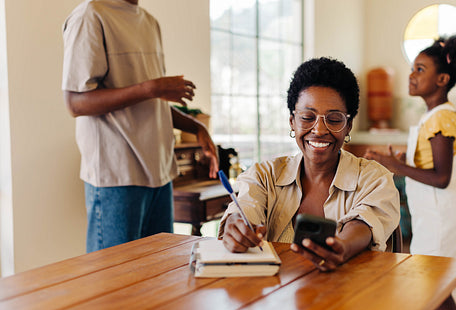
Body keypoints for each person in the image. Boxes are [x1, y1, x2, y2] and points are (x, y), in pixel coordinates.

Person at [61, 0, 218, 252]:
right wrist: (152, 88)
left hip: (159, 175)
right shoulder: (90, 15)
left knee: (157, 279)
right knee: (114, 282)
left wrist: (196, 127)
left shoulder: (149, 22)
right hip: (116, 177)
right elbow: (75, 103)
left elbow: (149, 102)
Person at [218, 57, 400, 272]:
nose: (320, 130)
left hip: (348, 299)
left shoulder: (374, 179)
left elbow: (364, 223)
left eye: (333, 119)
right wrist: (236, 225)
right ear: (292, 122)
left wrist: (343, 245)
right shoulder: (264, 175)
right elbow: (246, 207)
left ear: (348, 126)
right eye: (307, 117)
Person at [364, 35, 456, 310]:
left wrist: (396, 165)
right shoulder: (435, 116)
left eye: (420, 69)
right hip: (438, 218)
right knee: (435, 294)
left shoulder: (440, 119)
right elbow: (431, 162)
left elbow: (441, 178)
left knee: (422, 295)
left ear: (442, 79)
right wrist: (402, 158)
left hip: (444, 221)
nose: (411, 74)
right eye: (412, 68)